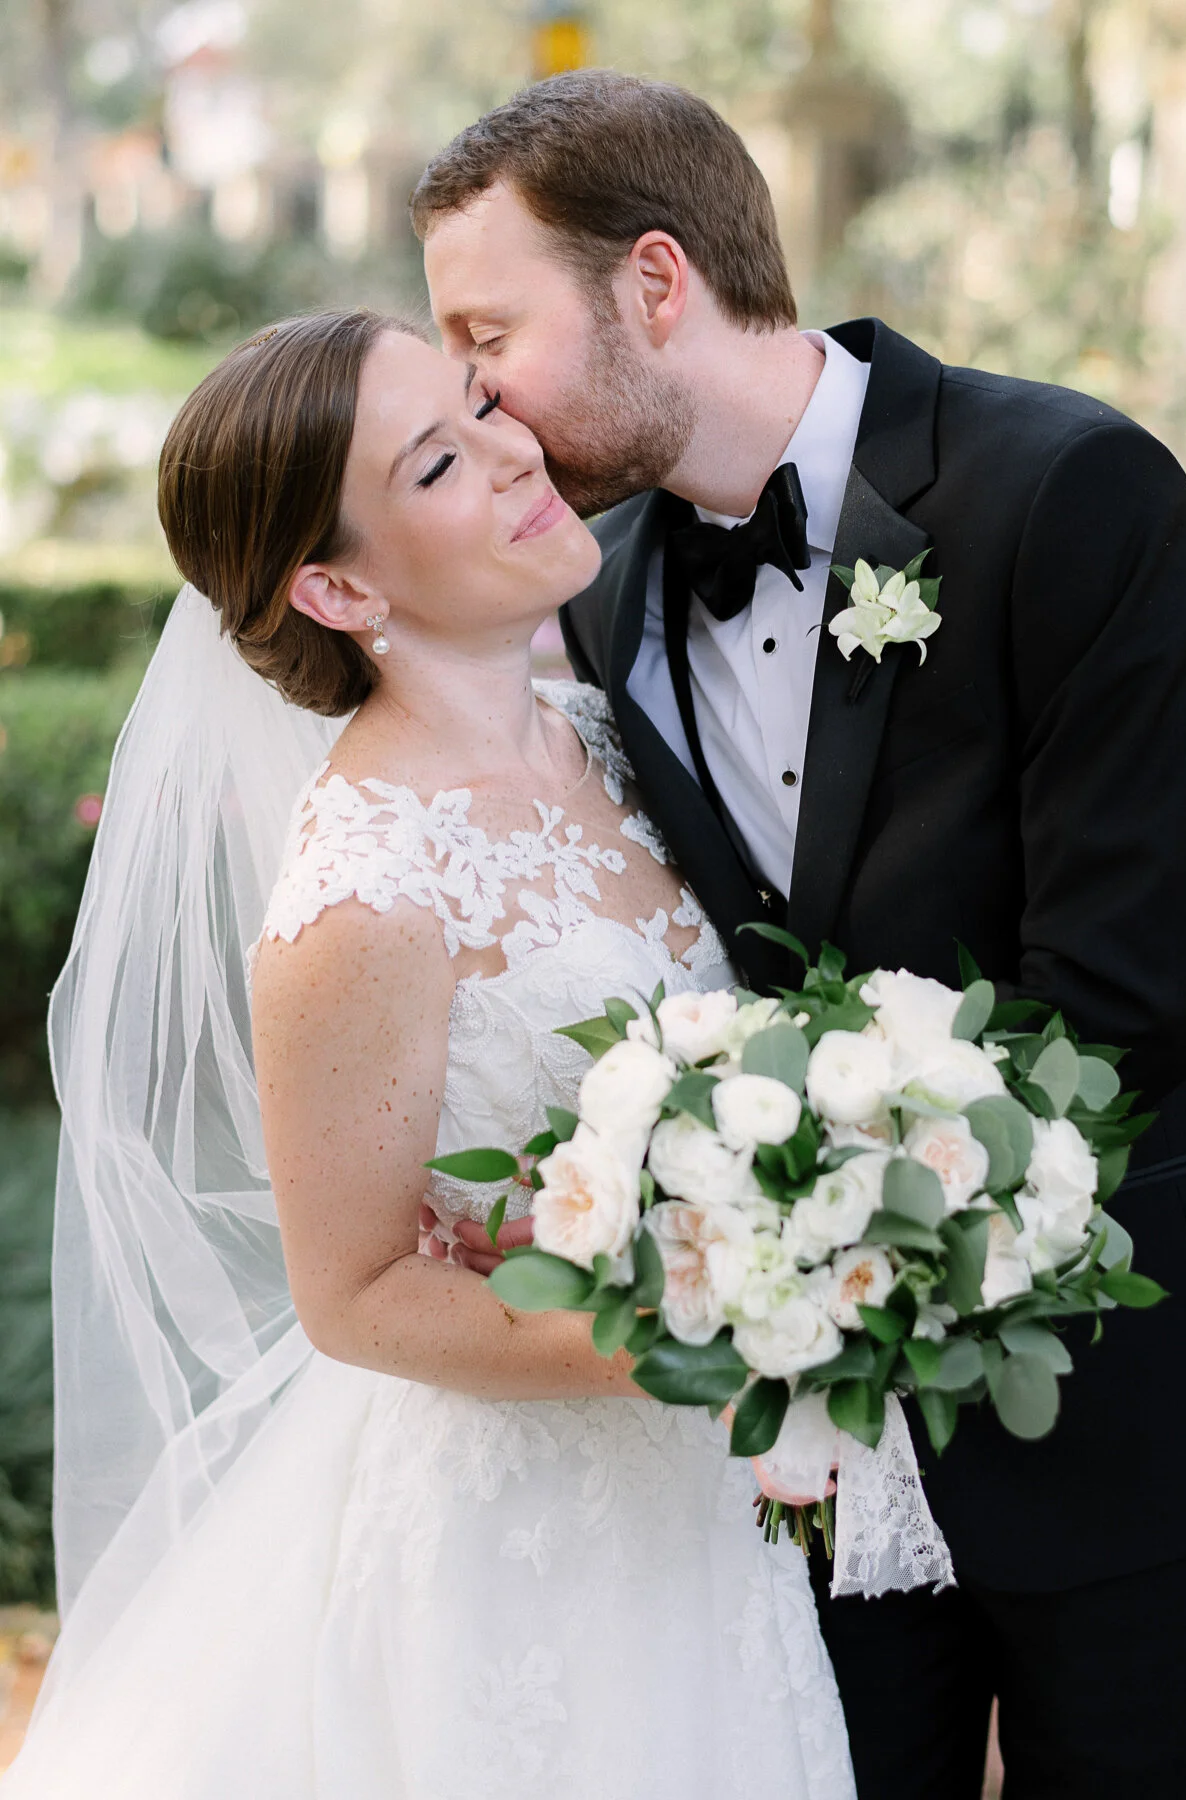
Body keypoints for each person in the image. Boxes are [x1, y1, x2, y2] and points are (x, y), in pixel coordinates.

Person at [413, 70, 1186, 1800]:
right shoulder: (603, 590)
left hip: (1139, 1395)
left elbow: (1125, 996)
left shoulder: (1073, 491)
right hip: (817, 1449)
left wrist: (780, 1214)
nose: (472, 392)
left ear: (652, 281)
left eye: (490, 333)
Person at [1, 312, 855, 1800]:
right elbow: (354, 1294)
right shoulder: (363, 891)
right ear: (338, 587)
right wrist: (685, 1340)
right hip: (522, 1556)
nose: (517, 453)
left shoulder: (606, 734)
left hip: (708, 1513)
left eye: (480, 405)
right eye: (439, 464)